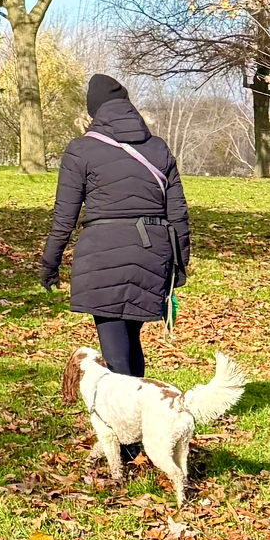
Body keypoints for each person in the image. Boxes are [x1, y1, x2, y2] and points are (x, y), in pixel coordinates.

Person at [41, 76, 191, 399]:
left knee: (115, 351)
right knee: (130, 341)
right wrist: (179, 267)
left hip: (102, 254)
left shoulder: (81, 149)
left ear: (93, 111)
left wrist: (49, 264)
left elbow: (64, 216)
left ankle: (128, 442)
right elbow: (177, 213)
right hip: (151, 253)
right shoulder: (158, 148)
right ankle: (139, 426)